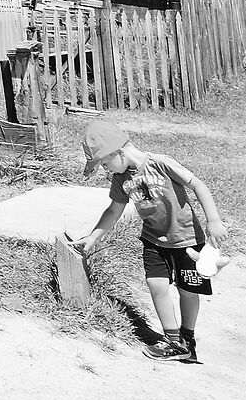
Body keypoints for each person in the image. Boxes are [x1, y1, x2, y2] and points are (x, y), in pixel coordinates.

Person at [74, 119, 229, 363]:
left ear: (119, 151)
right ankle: (174, 342)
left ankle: (188, 339)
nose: (105, 169)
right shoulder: (121, 179)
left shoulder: (161, 164)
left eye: (104, 162)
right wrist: (94, 236)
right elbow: (114, 210)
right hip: (154, 240)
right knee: (156, 285)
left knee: (187, 290)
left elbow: (197, 184)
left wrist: (214, 220)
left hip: (186, 238)